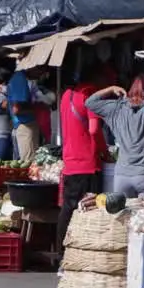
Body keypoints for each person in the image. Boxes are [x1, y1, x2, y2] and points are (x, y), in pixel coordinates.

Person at [58, 66, 107, 250]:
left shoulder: (66, 96)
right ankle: (82, 252)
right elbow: (94, 129)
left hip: (70, 162)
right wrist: (104, 151)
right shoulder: (89, 97)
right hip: (87, 163)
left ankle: (63, 253)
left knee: (68, 208)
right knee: (89, 209)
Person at [8, 67, 43, 160]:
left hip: (24, 125)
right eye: (40, 69)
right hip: (26, 125)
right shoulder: (19, 80)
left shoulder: (20, 78)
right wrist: (38, 108)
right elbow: (17, 109)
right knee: (30, 163)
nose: (41, 74)